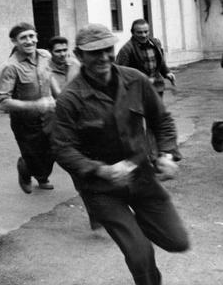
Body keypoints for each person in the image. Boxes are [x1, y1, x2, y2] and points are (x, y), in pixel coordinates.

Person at [51, 23, 189, 285]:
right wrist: (101, 170)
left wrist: (167, 154)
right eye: (95, 52)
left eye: (108, 49)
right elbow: (62, 148)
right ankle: (135, 240)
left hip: (142, 177)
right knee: (140, 255)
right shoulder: (70, 98)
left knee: (177, 241)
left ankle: (137, 228)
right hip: (101, 189)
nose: (104, 57)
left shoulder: (135, 80)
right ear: (79, 56)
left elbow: (162, 120)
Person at [0, 23, 56, 194]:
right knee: (33, 155)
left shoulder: (45, 56)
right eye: (23, 38)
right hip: (25, 122)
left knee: (53, 150)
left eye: (32, 36)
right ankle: (25, 169)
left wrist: (57, 96)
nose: (29, 41)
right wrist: (35, 105)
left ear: (36, 37)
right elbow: (3, 102)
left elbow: (51, 78)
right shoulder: (10, 66)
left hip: (50, 116)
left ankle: (41, 176)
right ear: (14, 41)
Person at [116, 19, 175, 98]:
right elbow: (120, 73)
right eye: (139, 32)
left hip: (157, 88)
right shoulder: (126, 50)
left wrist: (167, 72)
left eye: (146, 32)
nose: (143, 35)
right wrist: (142, 80)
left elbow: (160, 61)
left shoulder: (155, 44)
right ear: (132, 32)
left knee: (157, 106)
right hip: (138, 92)